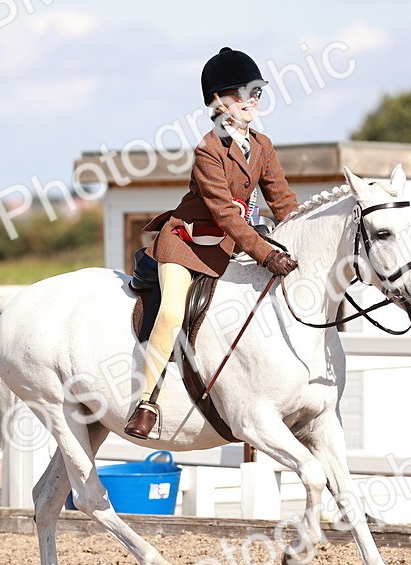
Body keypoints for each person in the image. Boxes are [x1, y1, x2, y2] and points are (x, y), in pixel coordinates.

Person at [124, 47, 301, 440]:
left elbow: (283, 200)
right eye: (242, 93)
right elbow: (225, 214)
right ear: (219, 102)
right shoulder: (208, 149)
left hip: (227, 248)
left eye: (257, 93)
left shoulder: (263, 146)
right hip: (186, 244)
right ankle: (147, 402)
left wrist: (297, 237)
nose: (252, 100)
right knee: (171, 312)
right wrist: (266, 253)